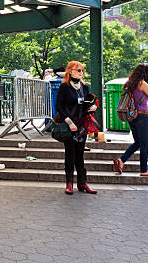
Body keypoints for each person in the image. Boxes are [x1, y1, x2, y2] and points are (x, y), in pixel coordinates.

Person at [55, 61, 97, 195]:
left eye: (82, 70)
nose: (81, 73)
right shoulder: (65, 87)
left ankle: (82, 183)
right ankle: (69, 183)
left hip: (82, 125)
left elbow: (86, 104)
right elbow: (59, 106)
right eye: (78, 70)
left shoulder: (84, 87)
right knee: (70, 154)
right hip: (69, 125)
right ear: (70, 71)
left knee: (80, 154)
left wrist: (92, 107)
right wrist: (69, 121)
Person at [113, 64, 148, 177]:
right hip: (143, 116)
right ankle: (144, 170)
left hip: (132, 117)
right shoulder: (142, 83)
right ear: (146, 73)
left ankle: (121, 160)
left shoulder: (130, 83)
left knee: (138, 142)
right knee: (145, 144)